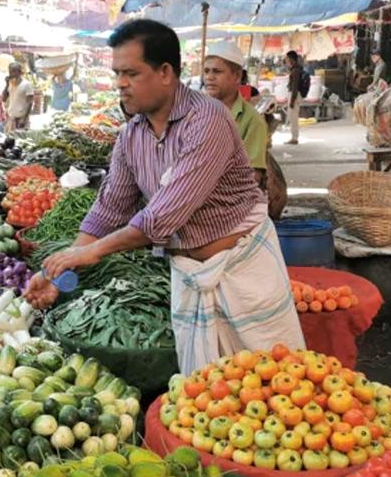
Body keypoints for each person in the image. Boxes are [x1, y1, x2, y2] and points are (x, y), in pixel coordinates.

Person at [24, 19, 302, 373]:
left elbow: (161, 217)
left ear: (166, 72)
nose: (120, 84)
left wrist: (90, 253)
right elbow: (108, 209)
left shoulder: (208, 120)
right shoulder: (130, 136)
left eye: (131, 73)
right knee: (208, 393)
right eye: (116, 74)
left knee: (278, 383)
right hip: (188, 275)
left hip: (243, 271)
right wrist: (58, 272)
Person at [203, 41, 269, 187]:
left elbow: (252, 177)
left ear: (237, 76)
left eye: (217, 71)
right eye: (206, 71)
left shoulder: (252, 121)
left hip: (231, 203)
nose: (209, 77)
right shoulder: (195, 113)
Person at [4, 63, 34, 130]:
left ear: (20, 72)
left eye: (14, 71)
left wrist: (24, 118)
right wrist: (6, 85)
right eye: (10, 72)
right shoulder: (10, 84)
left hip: (21, 119)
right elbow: (3, 98)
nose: (12, 74)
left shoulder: (26, 84)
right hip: (11, 118)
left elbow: (30, 103)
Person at [286, 50, 303, 145]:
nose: (287, 61)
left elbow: (295, 86)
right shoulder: (295, 69)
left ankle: (294, 138)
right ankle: (293, 137)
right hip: (294, 94)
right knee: (292, 116)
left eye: (287, 59)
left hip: (294, 95)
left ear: (291, 59)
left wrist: (292, 101)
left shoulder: (296, 70)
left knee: (293, 117)